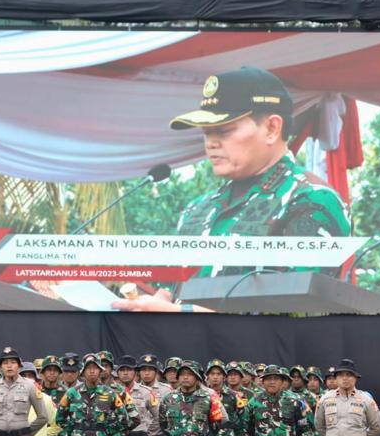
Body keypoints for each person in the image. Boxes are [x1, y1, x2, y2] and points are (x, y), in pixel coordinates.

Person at [112, 67, 349, 313]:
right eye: (206, 133)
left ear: (271, 129)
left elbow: (295, 313)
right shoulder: (198, 209)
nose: (211, 143)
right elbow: (170, 290)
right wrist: (155, 303)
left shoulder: (311, 199)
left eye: (223, 131)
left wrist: (182, 314)